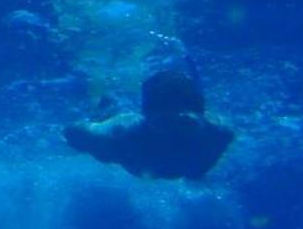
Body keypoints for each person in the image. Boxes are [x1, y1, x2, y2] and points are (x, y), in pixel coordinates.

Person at [63, 54, 235, 181]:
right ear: (145, 115)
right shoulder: (120, 135)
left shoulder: (219, 135)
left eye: (185, 122)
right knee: (105, 107)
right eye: (166, 122)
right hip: (120, 140)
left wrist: (198, 173)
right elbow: (74, 131)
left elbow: (202, 166)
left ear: (201, 116)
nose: (174, 133)